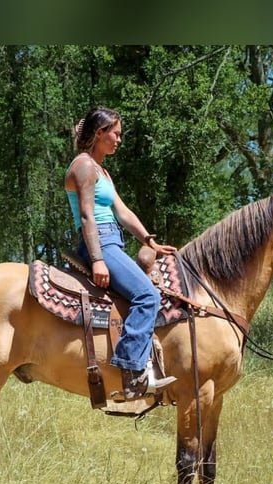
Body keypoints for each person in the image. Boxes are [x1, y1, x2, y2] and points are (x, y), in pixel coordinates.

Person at [65, 107, 177, 400]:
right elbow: (88, 216)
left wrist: (149, 241)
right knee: (148, 296)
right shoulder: (84, 166)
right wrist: (98, 258)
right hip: (99, 242)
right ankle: (132, 372)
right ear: (100, 133)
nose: (119, 140)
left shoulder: (102, 171)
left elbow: (123, 212)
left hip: (112, 240)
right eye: (116, 134)